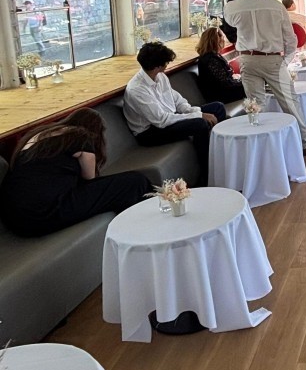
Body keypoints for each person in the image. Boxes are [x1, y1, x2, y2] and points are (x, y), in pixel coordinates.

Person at [224, 0, 306, 155]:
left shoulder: (233, 7)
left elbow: (230, 20)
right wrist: (285, 61)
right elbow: (290, 39)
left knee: (256, 105)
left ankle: (265, 148)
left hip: (247, 60)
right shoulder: (275, 6)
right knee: (290, 102)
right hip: (273, 59)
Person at [0, 108, 151, 238]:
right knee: (134, 182)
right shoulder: (81, 136)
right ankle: (145, 231)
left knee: (127, 184)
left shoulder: (39, 135)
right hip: (42, 213)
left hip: (15, 218)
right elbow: (90, 178)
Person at [124, 42, 226, 183]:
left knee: (218, 108)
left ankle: (217, 153)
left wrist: (194, 111)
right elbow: (162, 120)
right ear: (157, 66)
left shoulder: (160, 77)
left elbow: (177, 101)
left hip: (168, 119)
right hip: (150, 132)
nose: (167, 65)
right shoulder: (137, 90)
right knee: (200, 124)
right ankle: (207, 173)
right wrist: (199, 115)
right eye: (166, 62)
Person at [196, 27, 245, 104]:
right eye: (223, 37)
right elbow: (225, 84)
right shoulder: (211, 60)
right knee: (252, 85)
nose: (224, 40)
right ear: (217, 40)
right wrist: (241, 81)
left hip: (222, 92)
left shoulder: (212, 56)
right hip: (220, 96)